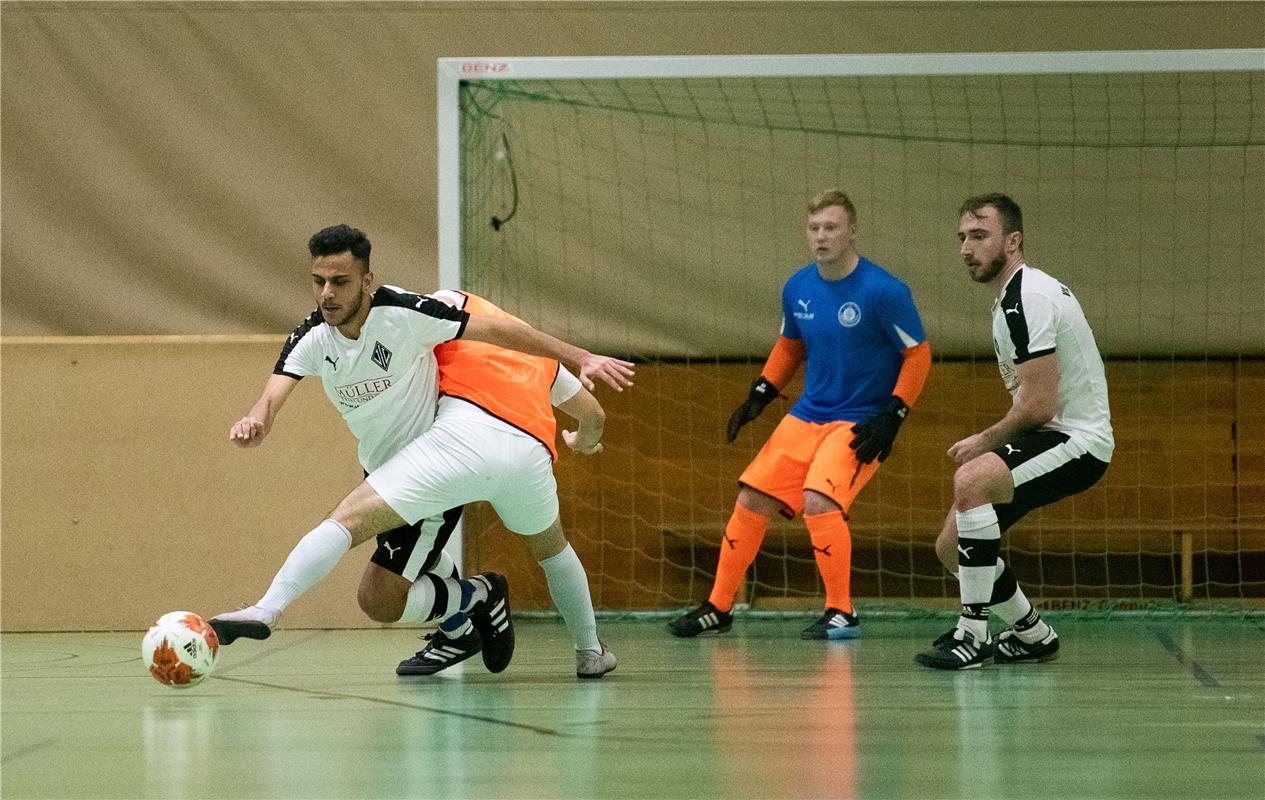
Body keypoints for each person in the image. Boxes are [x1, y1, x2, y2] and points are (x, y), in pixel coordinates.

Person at [209, 224, 632, 678]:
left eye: (341, 282)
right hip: (461, 463)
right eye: (319, 282)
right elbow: (273, 394)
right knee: (536, 550)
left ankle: (270, 609)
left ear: (367, 281)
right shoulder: (314, 336)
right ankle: (556, 640)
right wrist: (257, 420)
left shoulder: (422, 318)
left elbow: (495, 330)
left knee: (374, 588)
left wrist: (580, 355)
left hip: (436, 460)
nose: (328, 293)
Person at [668, 189, 931, 640]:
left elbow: (918, 355)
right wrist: (761, 393)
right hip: (808, 413)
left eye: (831, 227)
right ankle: (719, 606)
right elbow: (791, 345)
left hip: (860, 419)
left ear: (852, 231)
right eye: (814, 228)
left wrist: (895, 413)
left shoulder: (884, 291)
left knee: (819, 501)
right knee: (752, 496)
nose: (821, 236)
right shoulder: (798, 287)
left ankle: (841, 612)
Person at [914, 194, 1113, 670]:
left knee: (971, 480)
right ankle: (1033, 635)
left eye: (980, 235)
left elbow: (1040, 403)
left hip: (1078, 441)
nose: (967, 247)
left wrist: (984, 441)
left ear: (1013, 241)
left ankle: (972, 635)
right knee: (951, 547)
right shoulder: (1014, 295)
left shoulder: (1029, 295)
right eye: (962, 237)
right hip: (1050, 432)